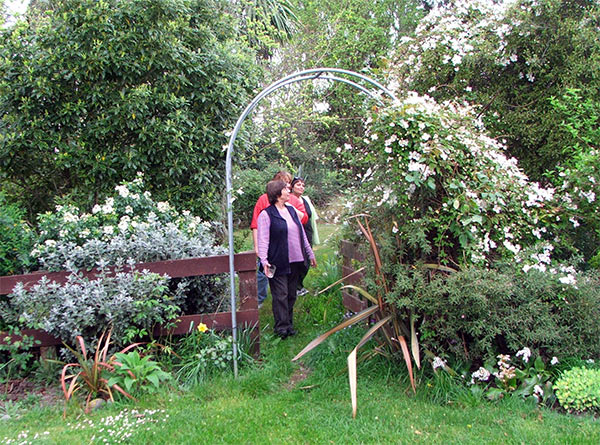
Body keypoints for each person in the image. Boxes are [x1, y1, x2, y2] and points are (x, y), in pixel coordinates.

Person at [257, 180, 317, 338]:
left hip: (296, 259)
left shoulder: (291, 210)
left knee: (291, 294)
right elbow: (263, 240)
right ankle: (281, 328)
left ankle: (289, 324)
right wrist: (264, 261)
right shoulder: (266, 214)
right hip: (277, 260)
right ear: (277, 194)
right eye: (285, 189)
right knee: (280, 295)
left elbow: (301, 233)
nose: (288, 190)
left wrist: (309, 253)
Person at [250, 171, 308, 307]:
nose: (287, 186)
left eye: (288, 182)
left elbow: (304, 219)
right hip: (272, 246)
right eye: (283, 183)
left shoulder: (292, 200)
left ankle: (287, 308)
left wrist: (290, 208)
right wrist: (257, 247)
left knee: (289, 286)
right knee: (265, 272)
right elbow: (255, 224)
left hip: (292, 249)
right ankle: (259, 299)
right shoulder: (263, 199)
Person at [290, 176, 319, 296]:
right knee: (299, 260)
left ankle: (298, 284)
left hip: (307, 231)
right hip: (296, 233)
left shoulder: (306, 199)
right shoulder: (289, 199)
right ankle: (295, 286)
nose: (301, 187)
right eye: (298, 185)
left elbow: (312, 216)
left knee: (307, 260)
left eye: (303, 185)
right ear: (292, 187)